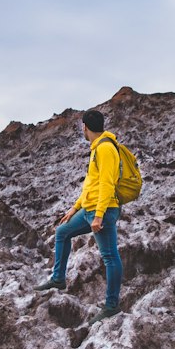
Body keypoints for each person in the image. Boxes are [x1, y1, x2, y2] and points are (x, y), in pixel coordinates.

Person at [37, 109, 122, 322]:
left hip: (102, 211)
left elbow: (106, 185)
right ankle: (58, 279)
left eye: (81, 127)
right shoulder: (96, 149)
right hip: (88, 209)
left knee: (110, 256)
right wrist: (75, 208)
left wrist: (99, 216)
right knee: (62, 232)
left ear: (85, 126)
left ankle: (111, 306)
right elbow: (90, 184)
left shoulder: (105, 149)